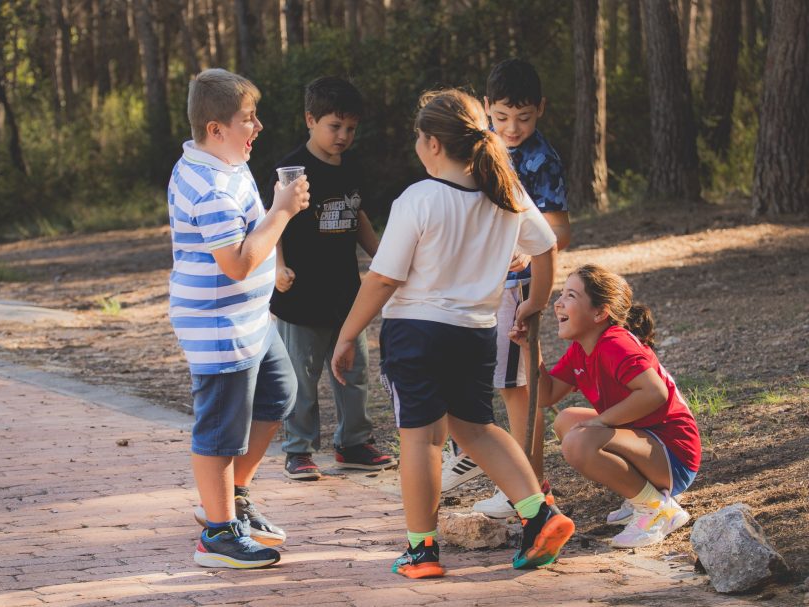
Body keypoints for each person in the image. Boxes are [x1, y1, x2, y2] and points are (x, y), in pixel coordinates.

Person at [330, 89, 574, 577]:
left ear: (433, 144)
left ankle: (422, 551)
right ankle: (538, 514)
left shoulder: (419, 199)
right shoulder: (505, 193)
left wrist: (346, 334)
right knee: (477, 427)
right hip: (476, 333)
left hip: (417, 333)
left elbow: (383, 277)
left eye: (418, 139)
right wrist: (536, 302)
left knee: (421, 441)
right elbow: (546, 248)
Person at [168, 68, 310, 568]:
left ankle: (234, 499)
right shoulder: (209, 187)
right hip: (218, 326)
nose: (259, 127)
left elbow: (254, 245)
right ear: (215, 129)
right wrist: (284, 212)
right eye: (248, 119)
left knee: (279, 395)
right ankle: (218, 532)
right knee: (220, 431)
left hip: (251, 318)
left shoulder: (229, 162)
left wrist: (277, 256)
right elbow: (237, 263)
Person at [441, 59, 572, 522]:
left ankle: (529, 490)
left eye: (524, 118)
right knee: (491, 384)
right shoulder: (481, 148)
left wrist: (525, 253)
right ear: (485, 110)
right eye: (501, 118)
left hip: (517, 292)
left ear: (541, 109)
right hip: (479, 287)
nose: (512, 129)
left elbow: (557, 231)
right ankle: (487, 463)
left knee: (521, 392)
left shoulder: (541, 159)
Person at [512, 264, 700, 548]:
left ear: (600, 313)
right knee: (565, 420)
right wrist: (529, 346)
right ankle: (643, 495)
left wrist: (602, 422)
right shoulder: (582, 348)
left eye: (571, 296)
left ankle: (656, 509)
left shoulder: (615, 343)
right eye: (561, 294)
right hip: (647, 443)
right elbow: (547, 395)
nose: (558, 303)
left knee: (578, 441)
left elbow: (654, 393)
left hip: (673, 454)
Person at [264, 76, 395, 481]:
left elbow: (357, 216)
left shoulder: (353, 167)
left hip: (346, 296)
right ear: (310, 119)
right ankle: (298, 448)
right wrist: (276, 266)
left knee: (353, 373)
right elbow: (273, 221)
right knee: (302, 379)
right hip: (299, 298)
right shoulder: (293, 171)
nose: (343, 136)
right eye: (334, 126)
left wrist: (385, 256)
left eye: (350, 128)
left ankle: (353, 443)